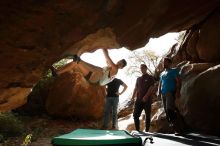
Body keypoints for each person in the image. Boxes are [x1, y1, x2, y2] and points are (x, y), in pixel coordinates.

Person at [50, 49, 127, 86]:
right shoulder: (110, 67)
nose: (118, 63)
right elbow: (107, 59)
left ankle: (78, 59)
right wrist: (106, 49)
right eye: (119, 62)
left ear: (121, 67)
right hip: (91, 75)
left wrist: (103, 47)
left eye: (121, 64)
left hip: (96, 80)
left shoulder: (115, 70)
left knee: (100, 70)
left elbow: (107, 57)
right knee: (75, 64)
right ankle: (57, 72)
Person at [158, 57, 181, 127]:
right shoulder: (162, 74)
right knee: (166, 110)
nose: (163, 63)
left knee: (169, 109)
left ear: (169, 63)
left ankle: (176, 126)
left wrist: (177, 91)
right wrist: (159, 92)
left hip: (170, 93)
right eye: (163, 62)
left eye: (165, 62)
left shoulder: (173, 71)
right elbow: (160, 83)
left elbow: (178, 81)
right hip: (163, 94)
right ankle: (173, 126)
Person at [132, 64, 155, 132]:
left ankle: (147, 131)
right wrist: (132, 97)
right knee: (135, 115)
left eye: (143, 68)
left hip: (147, 100)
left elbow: (151, 87)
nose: (142, 69)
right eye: (141, 68)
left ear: (146, 68)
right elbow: (136, 88)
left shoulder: (150, 77)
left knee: (147, 115)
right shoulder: (138, 79)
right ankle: (137, 131)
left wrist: (146, 96)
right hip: (138, 100)